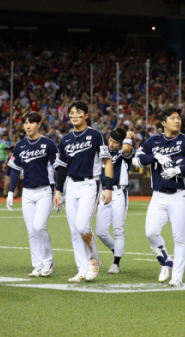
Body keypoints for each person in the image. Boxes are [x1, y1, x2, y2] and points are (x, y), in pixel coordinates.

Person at [132, 107, 185, 287]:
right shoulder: (153, 141)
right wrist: (156, 156)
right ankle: (166, 262)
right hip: (158, 195)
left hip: (180, 194)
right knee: (150, 232)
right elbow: (136, 160)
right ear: (163, 123)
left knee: (179, 238)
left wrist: (177, 170)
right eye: (172, 118)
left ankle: (177, 277)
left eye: (178, 118)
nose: (177, 121)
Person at [53, 101, 114, 283]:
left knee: (82, 226)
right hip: (71, 186)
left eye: (78, 113)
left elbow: (107, 162)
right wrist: (58, 191)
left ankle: (94, 261)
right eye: (71, 113)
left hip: (90, 184)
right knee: (74, 230)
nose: (74, 116)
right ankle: (81, 269)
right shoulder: (65, 139)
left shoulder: (96, 135)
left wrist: (108, 186)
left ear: (86, 115)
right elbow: (62, 167)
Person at [6, 112, 59, 278]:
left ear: (39, 124)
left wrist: (59, 191)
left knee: (39, 226)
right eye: (25, 123)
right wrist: (10, 192)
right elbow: (14, 170)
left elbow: (58, 168)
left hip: (44, 191)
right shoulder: (20, 145)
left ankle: (48, 261)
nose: (28, 126)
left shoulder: (48, 144)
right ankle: (37, 265)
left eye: (31, 122)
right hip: (27, 193)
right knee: (31, 230)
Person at [95, 128, 135, 274]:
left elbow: (126, 149)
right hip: (104, 192)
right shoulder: (102, 150)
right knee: (101, 231)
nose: (112, 144)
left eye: (115, 142)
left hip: (119, 192)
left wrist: (128, 138)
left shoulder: (123, 152)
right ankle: (117, 250)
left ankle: (116, 263)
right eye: (110, 140)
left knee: (118, 230)